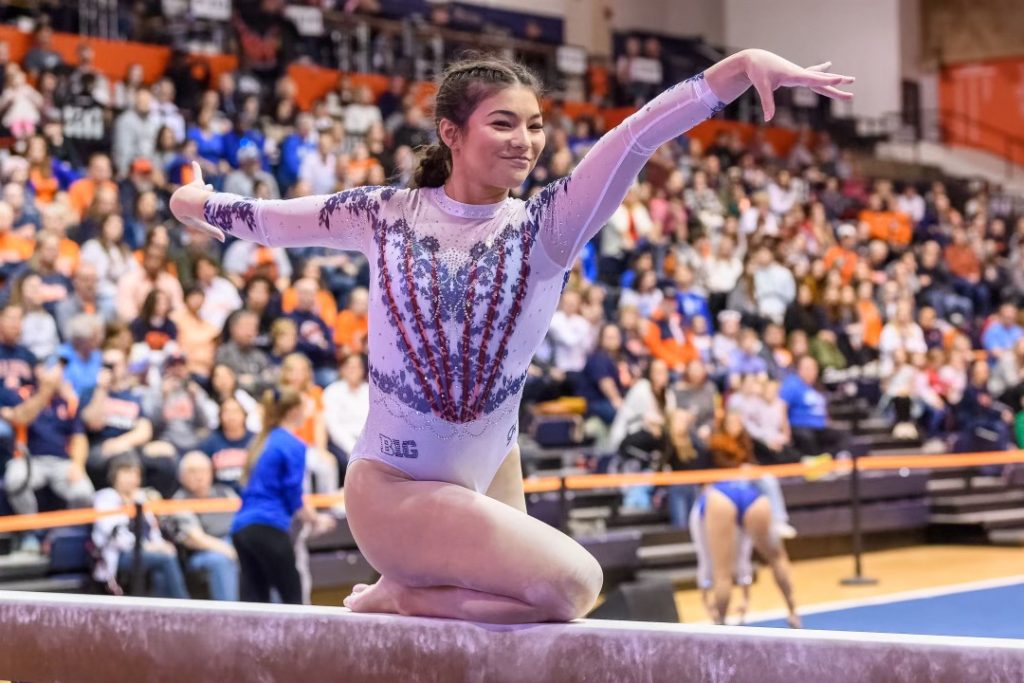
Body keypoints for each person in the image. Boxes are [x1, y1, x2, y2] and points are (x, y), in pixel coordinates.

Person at [171, 51, 853, 623]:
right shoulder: (385, 215)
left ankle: (422, 593)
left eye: (534, 126)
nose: (525, 141)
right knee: (573, 585)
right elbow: (267, 219)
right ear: (451, 132)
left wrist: (735, 70)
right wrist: (194, 204)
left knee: (523, 639)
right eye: (503, 123)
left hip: (488, 471)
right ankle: (411, 594)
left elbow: (637, 135)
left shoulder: (544, 228)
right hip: (392, 491)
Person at [230, 388, 333, 604]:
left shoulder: (261, 441)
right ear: (295, 411)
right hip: (268, 527)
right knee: (293, 599)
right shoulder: (293, 445)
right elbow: (292, 494)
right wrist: (316, 519)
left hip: (241, 529)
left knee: (255, 602)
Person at [699, 412, 799, 627]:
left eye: (738, 421)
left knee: (770, 556)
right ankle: (722, 622)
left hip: (736, 494)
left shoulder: (747, 443)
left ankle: (793, 610)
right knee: (725, 570)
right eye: (731, 422)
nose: (735, 425)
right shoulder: (714, 444)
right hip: (731, 493)